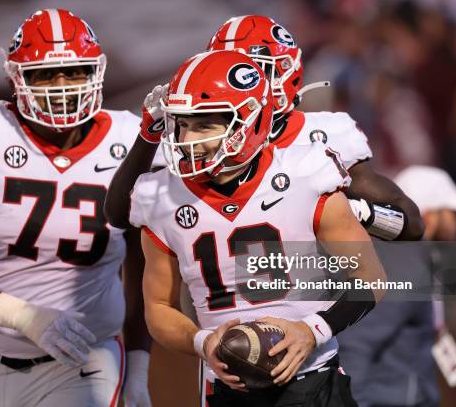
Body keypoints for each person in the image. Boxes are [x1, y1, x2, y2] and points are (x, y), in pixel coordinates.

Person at [0, 9, 150, 407]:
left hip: (83, 362)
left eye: (74, 71)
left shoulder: (131, 143)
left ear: (96, 72)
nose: (61, 86)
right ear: (15, 79)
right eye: (44, 74)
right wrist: (25, 316)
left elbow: (145, 269)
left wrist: (139, 367)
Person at [130, 49, 387, 407]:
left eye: (204, 124)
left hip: (312, 382)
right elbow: (158, 307)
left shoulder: (306, 175)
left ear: (248, 123)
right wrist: (202, 342)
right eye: (183, 124)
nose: (187, 139)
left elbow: (371, 278)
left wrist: (311, 331)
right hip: (225, 390)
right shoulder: (159, 197)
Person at [104, 15, 424, 244]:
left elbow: (410, 223)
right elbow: (121, 215)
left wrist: (359, 213)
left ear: (286, 73)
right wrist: (149, 136)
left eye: (255, 70)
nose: (244, 81)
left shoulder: (324, 136)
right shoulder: (195, 136)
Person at [337, 165, 456, 407]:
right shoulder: (402, 262)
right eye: (451, 212)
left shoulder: (414, 258)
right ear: (429, 216)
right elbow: (357, 344)